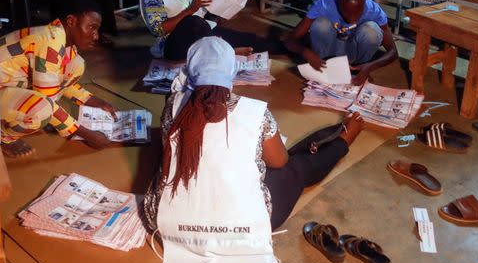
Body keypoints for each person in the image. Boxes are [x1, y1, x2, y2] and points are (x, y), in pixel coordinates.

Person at [142, 36, 364, 242]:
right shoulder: (255, 113)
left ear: (189, 69)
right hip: (232, 232)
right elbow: (279, 162)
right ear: (232, 72)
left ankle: (333, 138)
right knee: (294, 169)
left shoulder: (173, 105)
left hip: (167, 227)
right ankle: (344, 140)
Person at [0, 0, 119, 158]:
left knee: (76, 64)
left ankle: (39, 115)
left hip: (10, 84)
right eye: (91, 27)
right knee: (42, 110)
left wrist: (92, 100)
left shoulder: (59, 38)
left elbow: (59, 80)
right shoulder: (49, 42)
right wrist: (85, 133)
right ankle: (3, 136)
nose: (96, 36)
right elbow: (46, 99)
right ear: (71, 21)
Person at [284, 0, 398, 85]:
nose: (353, 17)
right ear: (338, 3)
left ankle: (358, 71)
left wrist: (369, 67)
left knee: (372, 30)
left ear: (364, 2)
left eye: (359, 11)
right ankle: (324, 69)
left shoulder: (374, 11)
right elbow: (290, 40)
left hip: (355, 60)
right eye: (347, 12)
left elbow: (393, 52)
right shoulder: (324, 5)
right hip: (328, 57)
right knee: (320, 23)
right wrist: (306, 52)